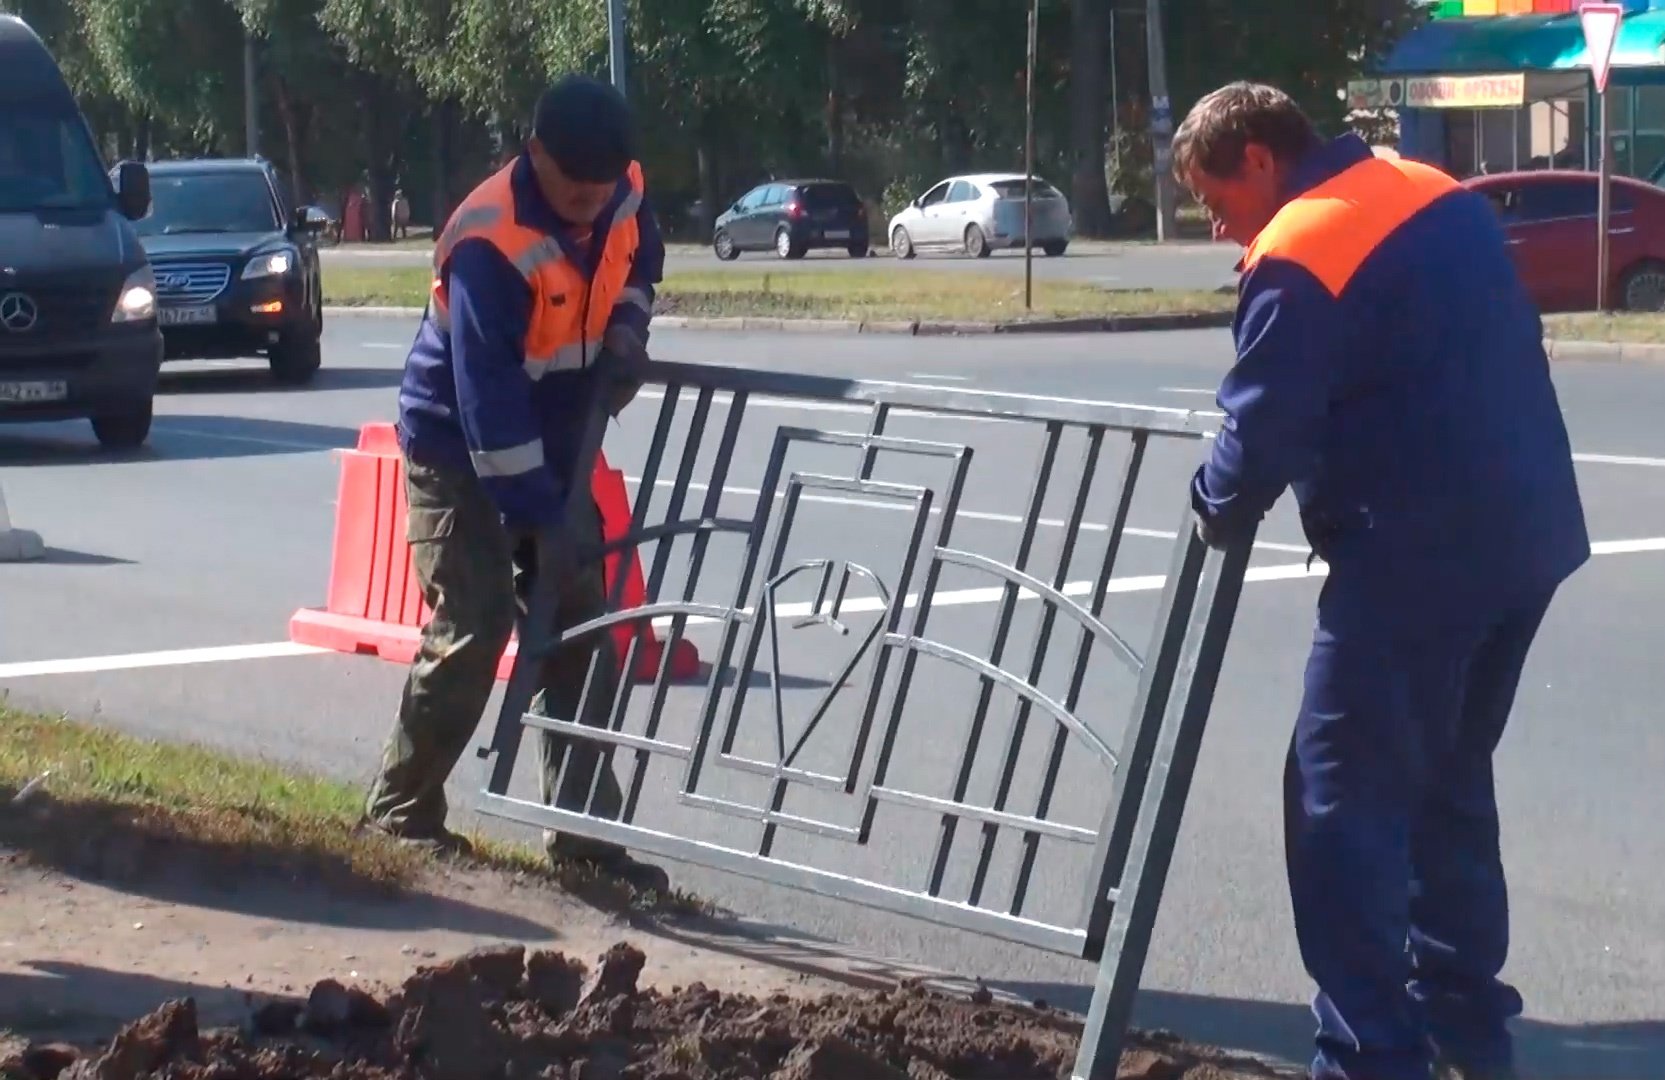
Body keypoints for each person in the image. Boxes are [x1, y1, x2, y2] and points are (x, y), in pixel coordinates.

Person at [1170, 82, 1590, 1080]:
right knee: (1445, 784)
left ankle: (1371, 1059)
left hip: (1414, 553)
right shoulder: (1428, 187)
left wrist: (1213, 502)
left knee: (1338, 802)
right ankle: (1468, 1038)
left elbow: (1263, 427)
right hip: (1528, 535)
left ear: (1260, 159)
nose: (1216, 221)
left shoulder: (1303, 243)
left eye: (1215, 197)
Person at [362, 73, 670, 894]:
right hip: (459, 448)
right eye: (574, 185)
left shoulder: (621, 190)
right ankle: (401, 812)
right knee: (477, 618)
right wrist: (539, 516)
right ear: (535, 156)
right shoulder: (486, 245)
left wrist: (631, 323)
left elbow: (643, 250)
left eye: (602, 186)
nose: (589, 202)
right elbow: (487, 406)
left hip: (557, 437)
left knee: (581, 628)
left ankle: (584, 841)